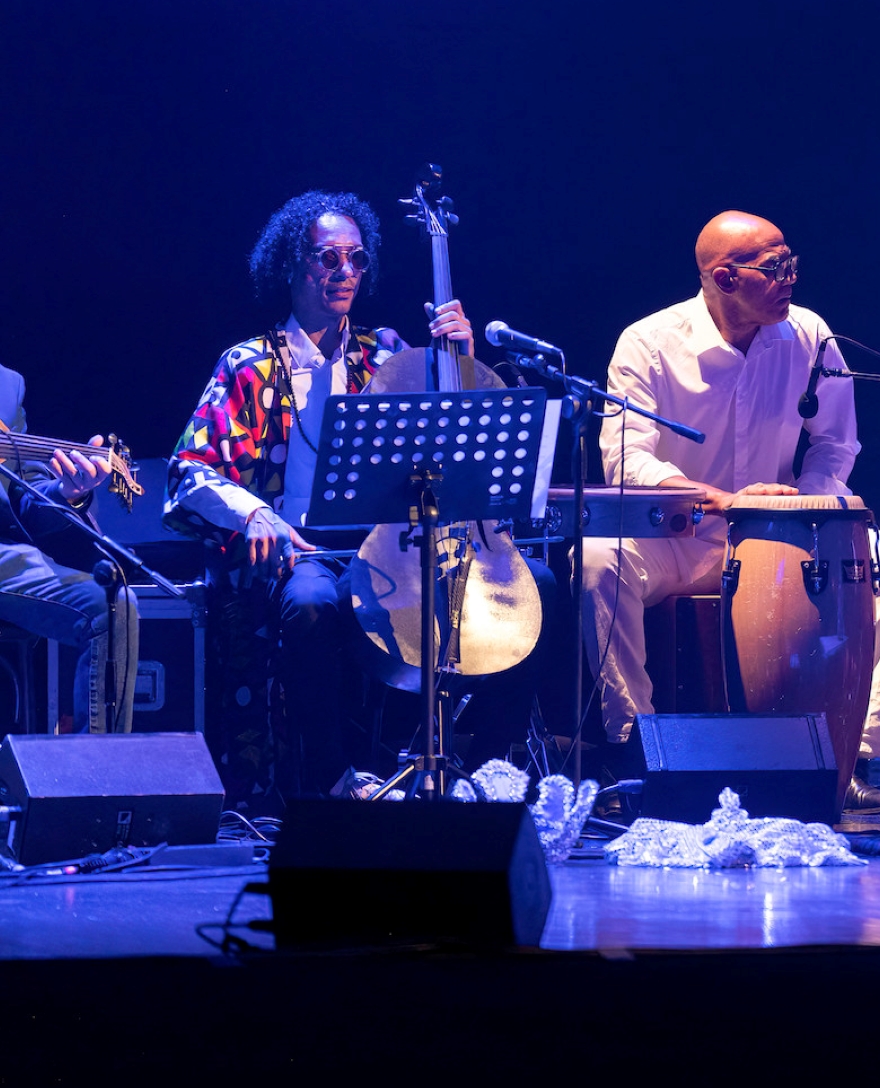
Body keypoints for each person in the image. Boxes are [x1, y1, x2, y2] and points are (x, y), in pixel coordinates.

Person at [165, 192, 561, 800]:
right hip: (304, 548)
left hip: (395, 547)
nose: (344, 272)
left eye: (355, 260)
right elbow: (188, 470)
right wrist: (256, 513)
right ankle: (331, 779)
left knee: (538, 585)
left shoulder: (387, 354)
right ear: (291, 266)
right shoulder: (247, 365)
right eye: (328, 259)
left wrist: (460, 357)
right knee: (313, 602)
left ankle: (484, 770)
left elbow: (455, 448)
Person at [582, 210, 880, 810]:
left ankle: (858, 753)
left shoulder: (810, 334)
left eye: (791, 262)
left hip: (781, 539)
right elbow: (625, 462)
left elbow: (835, 441)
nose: (791, 278)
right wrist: (724, 503)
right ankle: (635, 751)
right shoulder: (648, 343)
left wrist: (808, 504)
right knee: (595, 561)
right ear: (725, 277)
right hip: (683, 538)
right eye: (775, 268)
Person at [0, 363, 137, 733]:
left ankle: (94, 780)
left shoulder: (6, 385)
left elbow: (25, 498)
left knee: (111, 604)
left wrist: (67, 492)